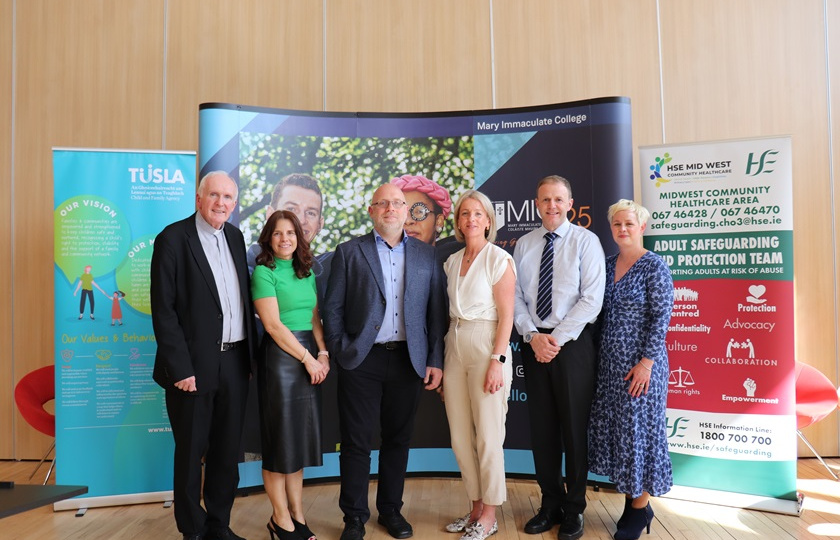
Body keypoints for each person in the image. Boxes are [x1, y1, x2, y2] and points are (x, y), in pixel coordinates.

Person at [322, 183, 446, 540]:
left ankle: (391, 510)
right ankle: (355, 518)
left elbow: (436, 312)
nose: (390, 209)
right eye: (383, 204)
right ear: (372, 211)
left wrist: (434, 359)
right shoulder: (349, 252)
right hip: (361, 360)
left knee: (398, 439)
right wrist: (341, 348)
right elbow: (333, 308)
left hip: (409, 360)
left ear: (406, 211)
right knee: (357, 442)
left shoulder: (426, 255)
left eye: (397, 204)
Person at [151, 171, 256, 540]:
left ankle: (219, 526)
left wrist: (247, 363)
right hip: (192, 367)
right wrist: (180, 367)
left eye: (228, 197)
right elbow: (164, 311)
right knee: (191, 453)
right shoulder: (172, 239)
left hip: (235, 361)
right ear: (198, 198)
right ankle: (192, 531)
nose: (221, 203)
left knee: (227, 455)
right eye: (214, 195)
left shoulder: (236, 237)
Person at [512, 175, 605, 540]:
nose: (551, 205)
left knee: (573, 430)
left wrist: (556, 339)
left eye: (558, 199)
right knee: (543, 431)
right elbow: (516, 297)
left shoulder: (586, 241)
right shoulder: (524, 244)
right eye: (545, 199)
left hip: (573, 346)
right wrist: (533, 336)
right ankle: (549, 503)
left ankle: (574, 509)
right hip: (534, 345)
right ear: (537, 203)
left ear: (570, 203)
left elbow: (591, 299)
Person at [588, 199, 673, 540]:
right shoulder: (607, 265)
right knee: (622, 438)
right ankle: (633, 505)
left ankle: (638, 512)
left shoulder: (654, 266)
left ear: (642, 227)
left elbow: (661, 318)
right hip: (610, 368)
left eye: (629, 224)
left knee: (639, 436)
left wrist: (646, 364)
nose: (622, 229)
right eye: (617, 224)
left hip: (642, 369)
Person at [441, 190, 516, 540]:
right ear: (458, 221)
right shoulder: (452, 261)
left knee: (488, 437)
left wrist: (497, 361)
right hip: (454, 345)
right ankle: (474, 507)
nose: (471, 219)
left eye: (478, 213)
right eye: (465, 213)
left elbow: (507, 317)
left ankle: (490, 514)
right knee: (459, 437)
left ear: (488, 221)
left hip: (487, 345)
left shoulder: (498, 259)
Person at [252, 210, 330, 540]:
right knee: (279, 444)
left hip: (308, 353)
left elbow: (314, 319)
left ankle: (298, 513)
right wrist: (308, 360)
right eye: (278, 233)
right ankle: (279, 518)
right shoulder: (263, 272)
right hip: (280, 359)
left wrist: (322, 353)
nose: (285, 239)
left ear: (299, 237)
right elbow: (272, 326)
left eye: (291, 233)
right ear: (269, 239)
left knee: (295, 442)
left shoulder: (306, 271)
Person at [390, 174, 462, 267]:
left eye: (419, 211)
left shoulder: (458, 262)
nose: (407, 221)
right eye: (400, 213)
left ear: (438, 221)